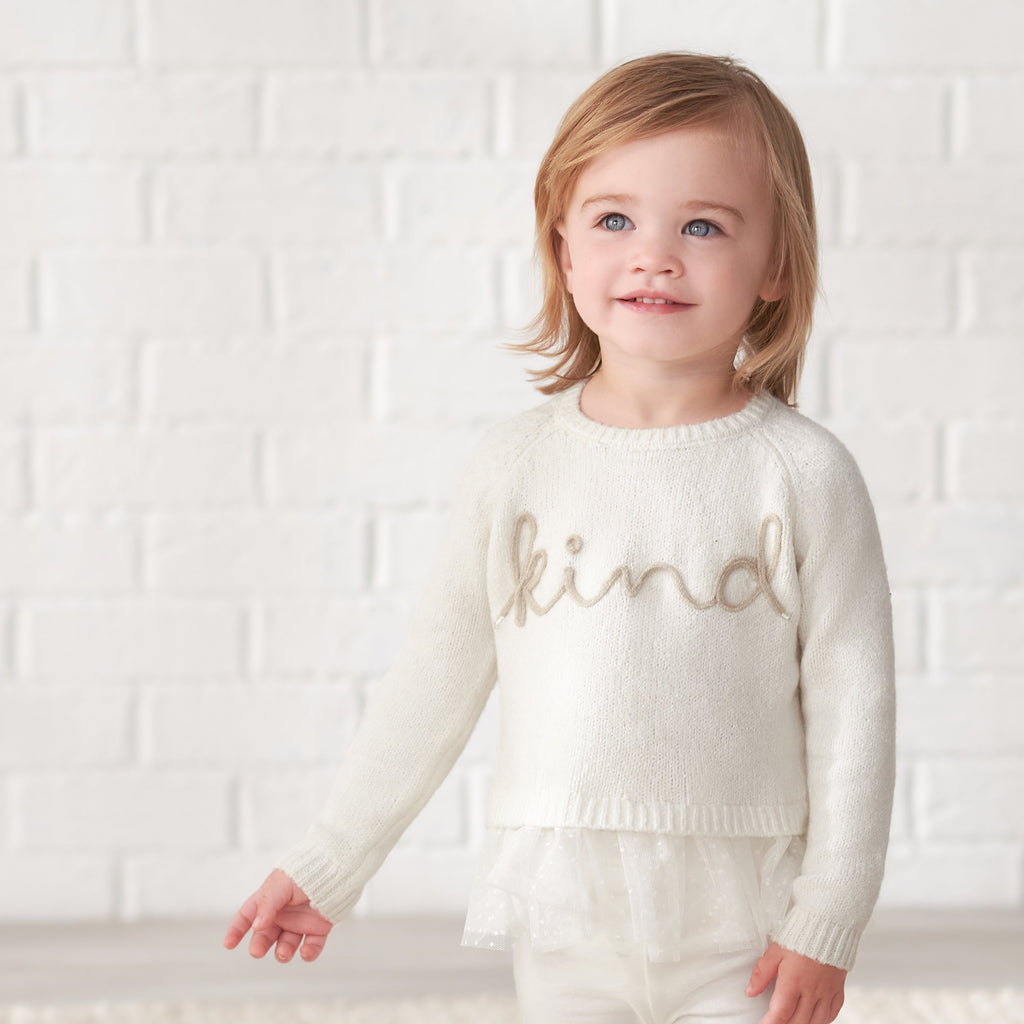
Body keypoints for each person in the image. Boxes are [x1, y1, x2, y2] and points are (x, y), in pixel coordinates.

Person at [224, 52, 896, 1024]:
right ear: (565, 250)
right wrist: (333, 858)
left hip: (746, 914)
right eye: (615, 220)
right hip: (564, 906)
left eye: (702, 226)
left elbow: (855, 712)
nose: (654, 255)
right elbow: (433, 680)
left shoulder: (803, 473)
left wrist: (828, 917)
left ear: (777, 265)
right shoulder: (516, 463)